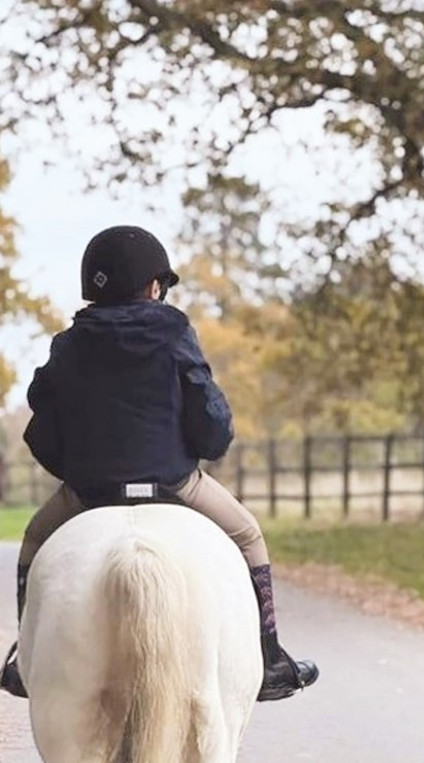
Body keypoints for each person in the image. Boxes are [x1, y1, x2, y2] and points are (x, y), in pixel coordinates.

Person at [0, 225, 319, 699]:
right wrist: (203, 446)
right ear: (153, 286)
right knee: (249, 534)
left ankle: (25, 660)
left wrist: (78, 470)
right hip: (175, 483)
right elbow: (209, 416)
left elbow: (42, 426)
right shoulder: (174, 332)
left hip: (90, 489)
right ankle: (271, 658)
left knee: (32, 543)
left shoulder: (70, 343)